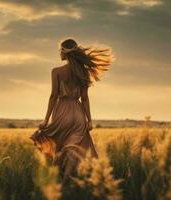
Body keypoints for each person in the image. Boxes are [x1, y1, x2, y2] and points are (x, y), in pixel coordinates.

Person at [30, 38, 113, 183]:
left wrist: (46, 119)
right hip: (78, 113)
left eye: (60, 50)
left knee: (62, 147)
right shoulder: (83, 73)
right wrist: (89, 120)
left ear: (65, 52)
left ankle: (63, 180)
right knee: (73, 148)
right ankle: (66, 180)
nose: (59, 53)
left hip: (62, 112)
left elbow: (53, 96)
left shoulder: (56, 71)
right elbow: (85, 98)